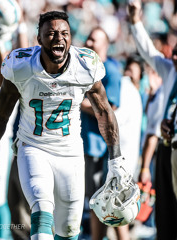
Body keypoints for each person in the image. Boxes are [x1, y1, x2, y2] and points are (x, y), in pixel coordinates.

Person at [0, 11, 133, 240]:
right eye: (50, 33)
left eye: (64, 33)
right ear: (39, 39)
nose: (58, 38)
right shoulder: (21, 65)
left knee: (68, 230)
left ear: (71, 38)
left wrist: (116, 159)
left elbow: (104, 112)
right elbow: (1, 114)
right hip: (33, 147)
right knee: (41, 213)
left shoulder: (85, 65)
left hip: (70, 153)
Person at [128, 1, 177, 239]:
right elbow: (148, 52)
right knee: (166, 212)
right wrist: (135, 21)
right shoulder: (169, 71)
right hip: (167, 149)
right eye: (174, 53)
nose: (175, 57)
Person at [80, 26, 122, 240]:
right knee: (98, 199)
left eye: (93, 40)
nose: (88, 43)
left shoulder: (111, 71)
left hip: (99, 148)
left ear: (105, 45)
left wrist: (79, 103)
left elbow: (110, 109)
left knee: (100, 200)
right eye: (87, 38)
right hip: (87, 145)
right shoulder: (85, 68)